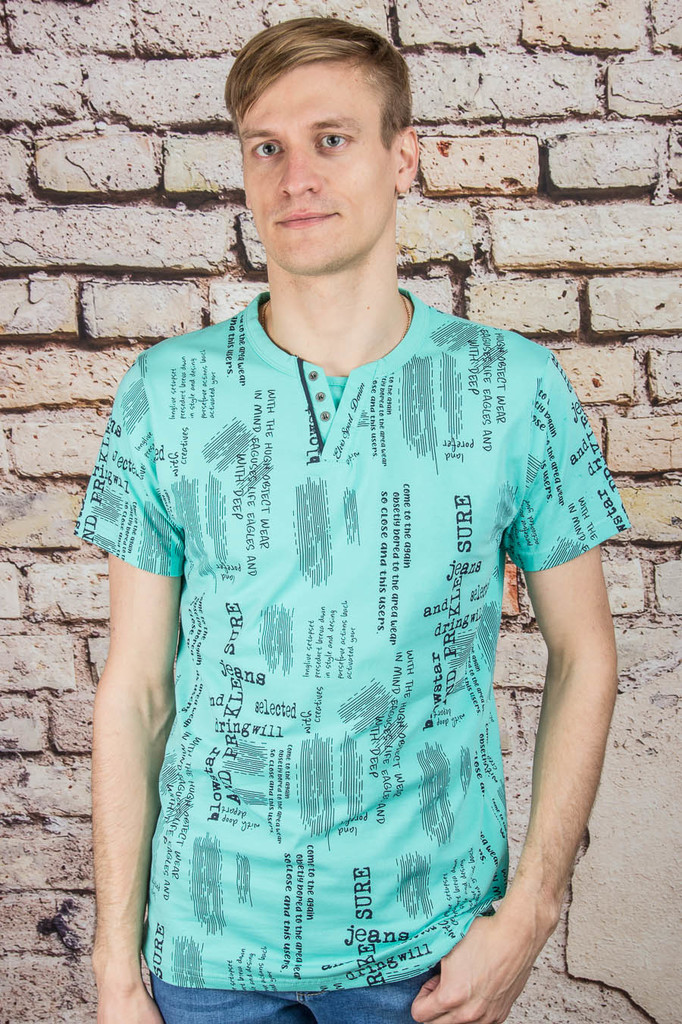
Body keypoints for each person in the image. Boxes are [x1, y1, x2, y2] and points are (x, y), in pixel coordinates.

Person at [73, 15, 632, 1024]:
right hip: (205, 949)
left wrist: (532, 910)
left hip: (428, 951)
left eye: (331, 140)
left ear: (402, 158)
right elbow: (137, 688)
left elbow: (586, 652)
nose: (297, 178)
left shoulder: (513, 387)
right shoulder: (164, 391)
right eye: (266, 148)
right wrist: (116, 969)